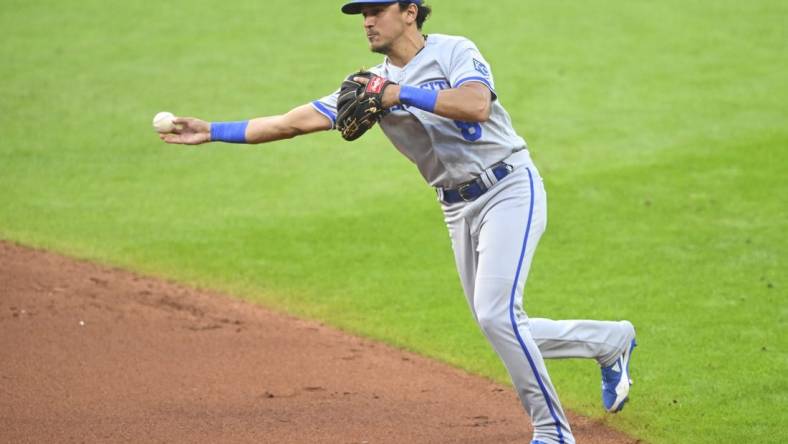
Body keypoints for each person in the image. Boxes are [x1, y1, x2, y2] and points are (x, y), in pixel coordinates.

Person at [160, 2, 637, 443]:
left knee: (497, 315)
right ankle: (608, 341)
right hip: (456, 206)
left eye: (376, 10)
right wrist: (213, 131)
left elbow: (476, 105)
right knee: (498, 322)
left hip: (509, 188)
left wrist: (396, 94)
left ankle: (552, 431)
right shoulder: (365, 85)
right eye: (361, 13)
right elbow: (292, 122)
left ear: (410, 12)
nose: (366, 20)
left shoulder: (454, 50)